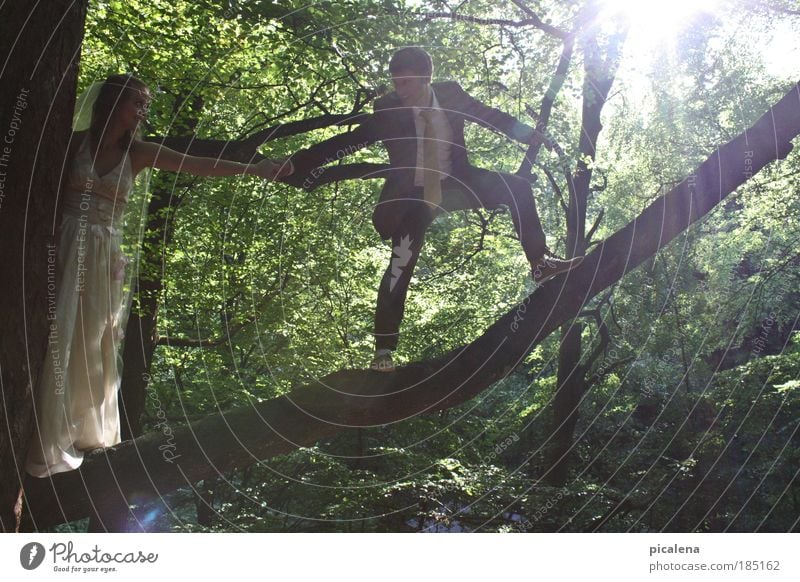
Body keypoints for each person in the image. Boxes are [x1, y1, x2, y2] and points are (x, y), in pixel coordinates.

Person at [25, 74, 282, 477]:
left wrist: (254, 168)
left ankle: (75, 429)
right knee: (55, 330)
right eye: (136, 104)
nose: (142, 113)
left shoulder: (139, 153)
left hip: (103, 255)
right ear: (113, 103)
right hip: (62, 243)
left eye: (145, 106)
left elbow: (199, 164)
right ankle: (36, 421)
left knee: (89, 340)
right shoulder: (73, 142)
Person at [282, 47, 583, 372]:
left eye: (408, 82)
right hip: (412, 198)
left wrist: (530, 136)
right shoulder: (387, 110)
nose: (402, 90)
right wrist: (295, 163)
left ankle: (539, 262)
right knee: (401, 261)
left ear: (427, 78)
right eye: (397, 83)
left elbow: (488, 115)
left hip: (456, 183)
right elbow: (346, 143)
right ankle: (383, 349)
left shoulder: (450, 93)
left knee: (518, 188)